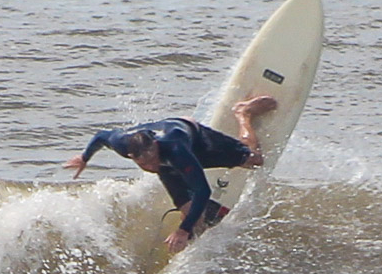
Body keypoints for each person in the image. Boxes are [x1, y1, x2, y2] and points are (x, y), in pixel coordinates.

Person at [65, 95, 277, 253]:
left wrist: (182, 230)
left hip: (194, 139)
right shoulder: (122, 144)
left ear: (156, 146)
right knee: (191, 215)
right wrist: (84, 158)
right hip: (169, 161)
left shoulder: (176, 150)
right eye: (144, 164)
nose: (151, 165)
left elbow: (202, 191)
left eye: (153, 158)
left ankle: (243, 113)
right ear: (131, 156)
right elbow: (101, 136)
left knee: (255, 161)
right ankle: (196, 247)